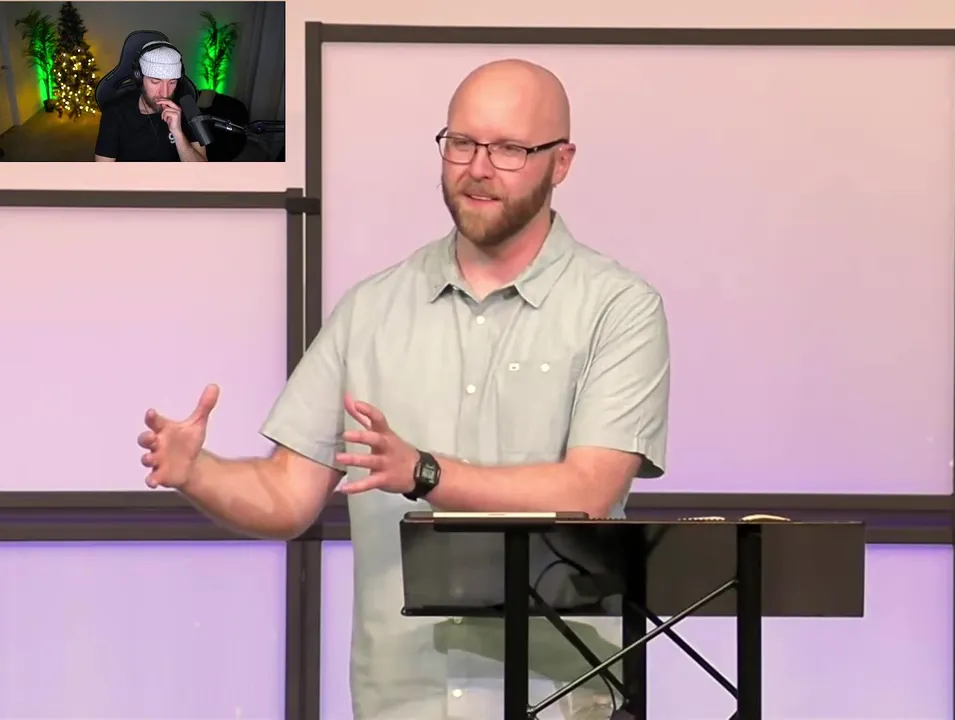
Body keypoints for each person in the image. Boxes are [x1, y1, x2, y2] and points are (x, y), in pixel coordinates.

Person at [136, 59, 670, 719]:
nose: (478, 168)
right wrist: (198, 472)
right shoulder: (372, 308)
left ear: (561, 162)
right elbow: (286, 495)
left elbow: (588, 493)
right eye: (462, 143)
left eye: (509, 149)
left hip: (558, 701)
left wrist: (424, 472)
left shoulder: (618, 308)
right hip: (399, 700)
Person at [94, 42, 207, 162]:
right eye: (155, 82)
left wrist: (178, 133)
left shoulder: (189, 108)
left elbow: (202, 169)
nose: (164, 93)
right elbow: (103, 170)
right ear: (139, 78)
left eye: (172, 82)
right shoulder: (114, 112)